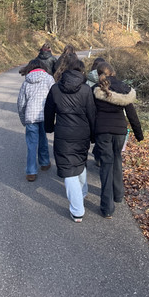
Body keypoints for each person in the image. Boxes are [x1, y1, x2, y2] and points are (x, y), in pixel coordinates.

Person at [44, 56, 96, 223]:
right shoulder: (86, 90)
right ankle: (82, 193)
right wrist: (93, 135)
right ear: (81, 72)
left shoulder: (55, 89)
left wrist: (48, 128)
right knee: (80, 162)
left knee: (68, 169)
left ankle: (77, 210)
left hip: (63, 134)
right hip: (82, 133)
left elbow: (48, 112)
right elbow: (92, 114)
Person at [92, 62, 143, 219]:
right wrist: (138, 134)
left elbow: (90, 113)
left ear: (98, 74)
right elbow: (131, 113)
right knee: (117, 159)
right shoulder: (123, 88)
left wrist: (91, 134)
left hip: (103, 132)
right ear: (113, 73)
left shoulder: (95, 89)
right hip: (120, 131)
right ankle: (119, 195)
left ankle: (107, 208)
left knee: (106, 166)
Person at [17, 59, 55, 181]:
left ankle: (31, 172)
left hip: (30, 117)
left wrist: (23, 119)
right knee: (43, 139)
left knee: (31, 144)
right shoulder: (49, 79)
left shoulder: (26, 82)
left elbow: (21, 103)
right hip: (44, 115)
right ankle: (44, 163)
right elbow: (54, 97)